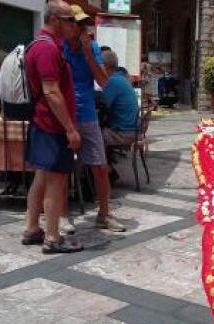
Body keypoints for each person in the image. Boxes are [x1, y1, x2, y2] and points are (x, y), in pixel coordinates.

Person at [22, 0, 82, 254]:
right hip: (52, 125)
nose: (74, 25)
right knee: (57, 181)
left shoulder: (43, 45)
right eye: (70, 20)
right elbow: (52, 92)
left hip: (43, 123)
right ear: (55, 20)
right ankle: (53, 237)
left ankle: (32, 228)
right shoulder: (47, 49)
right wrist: (70, 128)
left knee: (42, 177)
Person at [60, 5, 125, 233]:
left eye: (84, 24)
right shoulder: (61, 47)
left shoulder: (94, 48)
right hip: (66, 114)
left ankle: (104, 214)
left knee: (100, 164)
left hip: (87, 114)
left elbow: (103, 81)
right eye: (78, 24)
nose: (82, 28)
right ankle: (62, 215)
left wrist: (88, 53)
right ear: (70, 26)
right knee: (62, 167)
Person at [101, 50, 140, 147]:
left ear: (104, 66)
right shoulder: (122, 78)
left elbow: (103, 105)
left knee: (89, 134)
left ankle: (96, 161)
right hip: (133, 129)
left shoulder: (113, 81)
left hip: (123, 133)